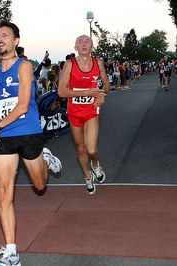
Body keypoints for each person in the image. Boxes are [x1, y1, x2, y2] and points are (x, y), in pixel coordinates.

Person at [0, 21, 62, 266]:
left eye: (5, 35)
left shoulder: (25, 66)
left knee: (39, 186)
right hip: (4, 137)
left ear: (16, 41)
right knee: (3, 193)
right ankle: (12, 254)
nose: (0, 38)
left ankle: (44, 157)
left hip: (28, 132)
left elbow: (22, 105)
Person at [58, 34, 109, 196]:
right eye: (80, 42)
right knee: (81, 149)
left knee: (91, 149)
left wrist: (102, 95)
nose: (84, 43)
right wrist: (88, 92)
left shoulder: (97, 63)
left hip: (91, 110)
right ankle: (88, 177)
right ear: (76, 48)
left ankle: (95, 164)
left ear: (92, 47)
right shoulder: (70, 64)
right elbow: (61, 91)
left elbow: (106, 84)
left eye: (87, 41)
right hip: (74, 112)